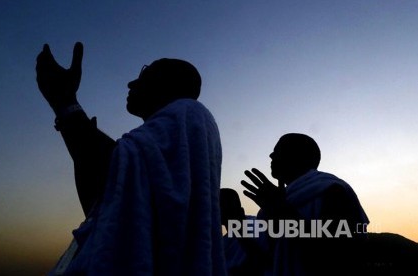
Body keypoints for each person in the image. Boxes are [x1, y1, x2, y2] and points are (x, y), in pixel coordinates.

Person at [35, 42, 226, 275]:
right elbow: (104, 202)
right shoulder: (167, 134)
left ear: (169, 83)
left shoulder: (189, 112)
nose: (132, 83)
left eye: (145, 73)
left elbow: (110, 169)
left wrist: (65, 102)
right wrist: (75, 129)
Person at [241, 133, 369, 276]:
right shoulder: (282, 199)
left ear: (299, 156)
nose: (271, 156)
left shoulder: (332, 190)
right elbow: (267, 260)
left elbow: (338, 255)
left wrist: (281, 210)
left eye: (278, 150)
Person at [220, 188, 268, 276]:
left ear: (240, 210)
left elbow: (265, 262)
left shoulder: (259, 226)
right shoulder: (222, 241)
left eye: (226, 206)